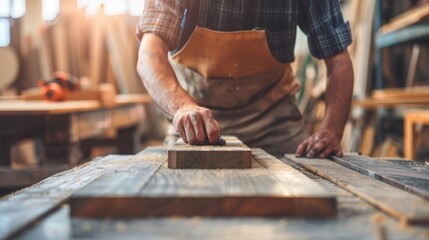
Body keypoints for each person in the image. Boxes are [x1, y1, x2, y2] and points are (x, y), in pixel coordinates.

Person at [136, 0, 354, 158]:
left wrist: (331, 131)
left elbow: (339, 62)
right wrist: (182, 107)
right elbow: (149, 56)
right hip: (194, 128)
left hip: (275, 126)